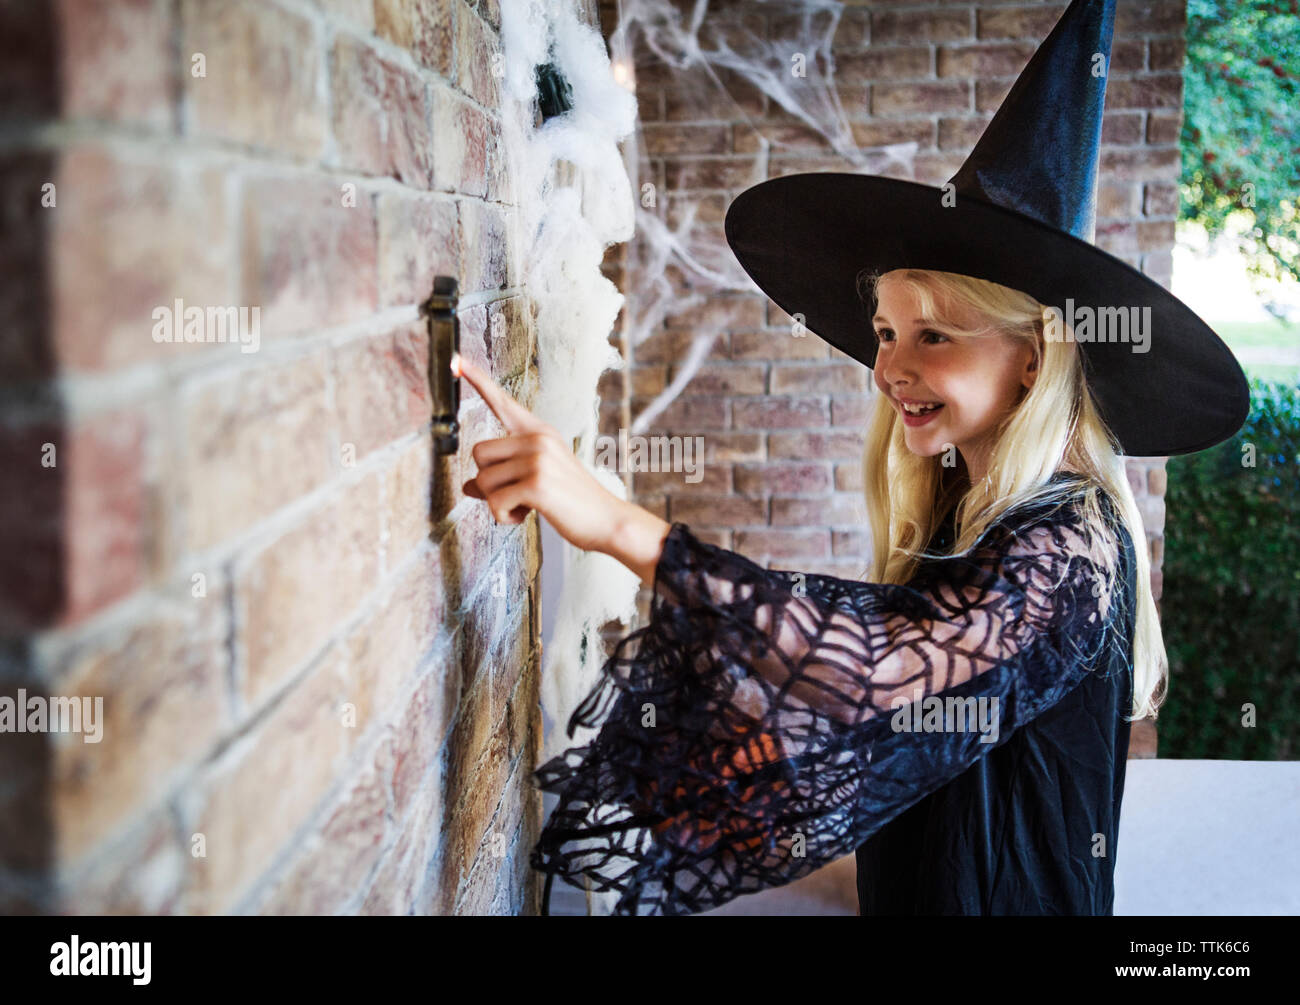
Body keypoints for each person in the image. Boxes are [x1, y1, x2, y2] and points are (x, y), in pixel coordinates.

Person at [455, 0, 1249, 916]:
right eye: (884, 332)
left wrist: (612, 524)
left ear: (1033, 357)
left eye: (933, 337)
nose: (889, 369)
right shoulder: (977, 501)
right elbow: (913, 721)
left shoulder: (1069, 541)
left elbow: (876, 666)